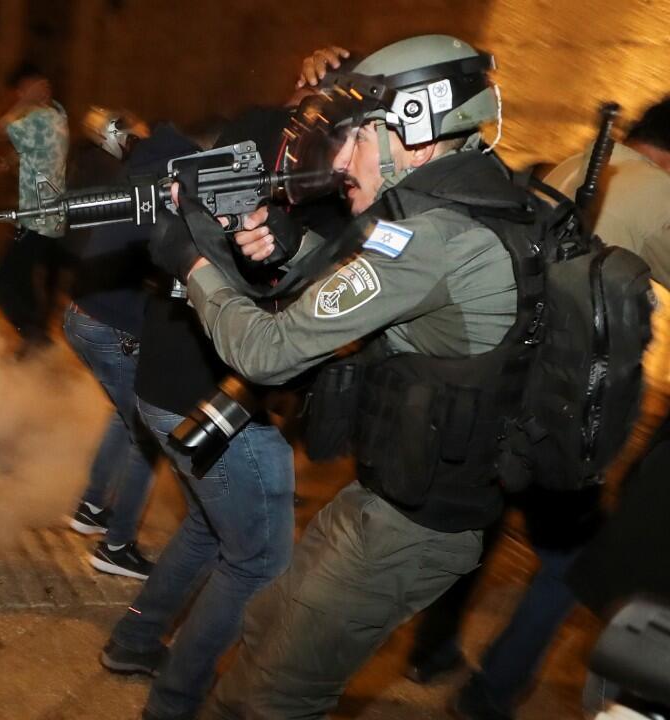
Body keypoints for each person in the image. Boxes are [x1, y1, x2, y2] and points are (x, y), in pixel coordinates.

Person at [148, 35, 527, 718]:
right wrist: (292, 244)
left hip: (411, 526)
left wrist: (191, 263)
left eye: (356, 139)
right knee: (265, 627)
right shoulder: (462, 202)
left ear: (416, 136)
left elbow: (267, 352)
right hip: (388, 494)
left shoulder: (434, 237)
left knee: (273, 697)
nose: (342, 161)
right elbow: (370, 278)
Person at [402, 97, 670, 720]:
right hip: (564, 407)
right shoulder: (655, 190)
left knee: (483, 518)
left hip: (506, 381)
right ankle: (491, 691)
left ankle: (431, 650)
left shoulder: (579, 161)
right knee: (572, 562)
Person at [98, 108, 340, 719]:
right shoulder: (289, 161)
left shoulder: (269, 137)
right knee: (258, 560)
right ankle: (176, 700)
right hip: (210, 395)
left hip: (169, 384)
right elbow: (265, 320)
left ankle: (135, 638)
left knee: (210, 529)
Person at [60, 107, 162, 579]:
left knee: (126, 416)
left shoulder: (125, 181)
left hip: (82, 316)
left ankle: (92, 507)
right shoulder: (149, 189)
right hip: (107, 326)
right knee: (150, 434)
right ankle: (116, 546)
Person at [0, 63, 69, 357]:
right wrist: (10, 164)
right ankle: (36, 339)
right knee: (30, 281)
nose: (19, 95)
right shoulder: (56, 116)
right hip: (47, 217)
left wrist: (23, 103)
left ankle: (35, 337)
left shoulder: (41, 118)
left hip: (37, 218)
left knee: (1, 283)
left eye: (23, 89)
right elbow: (30, 156)